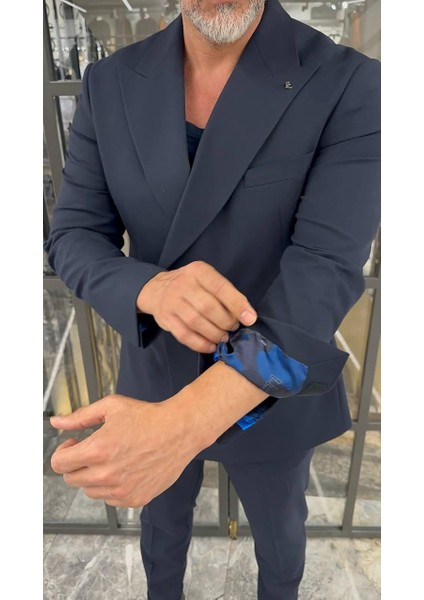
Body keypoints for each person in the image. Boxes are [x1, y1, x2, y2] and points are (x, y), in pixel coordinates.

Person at [44, 0, 381, 598]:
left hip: (272, 379)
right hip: (156, 368)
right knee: (161, 537)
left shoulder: (347, 81)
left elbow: (325, 268)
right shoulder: (109, 82)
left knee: (280, 542)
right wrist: (148, 287)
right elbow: (73, 234)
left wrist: (185, 424)